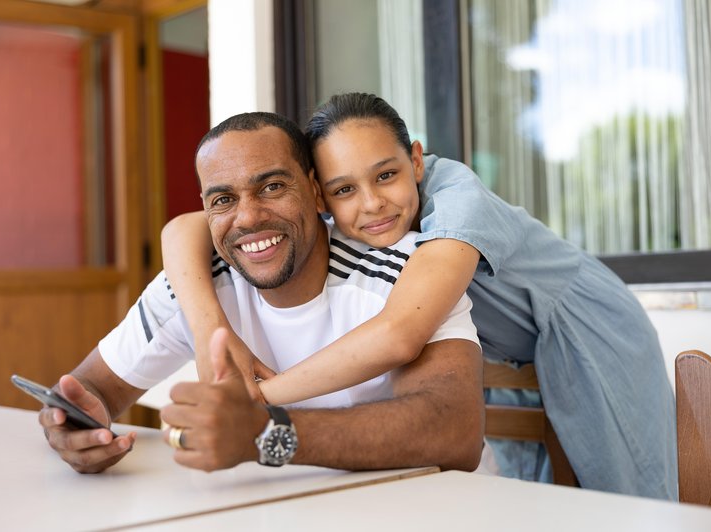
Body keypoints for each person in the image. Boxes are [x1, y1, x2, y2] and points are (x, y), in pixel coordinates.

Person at [162, 93, 678, 499]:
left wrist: (257, 404)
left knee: (628, 497)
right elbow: (183, 228)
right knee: (534, 497)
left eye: (386, 175)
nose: (371, 203)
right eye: (343, 189)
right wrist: (214, 327)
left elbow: (398, 332)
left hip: (586, 325)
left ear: (415, 161)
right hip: (512, 349)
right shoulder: (341, 210)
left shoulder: (459, 202)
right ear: (320, 192)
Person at [38, 111, 484, 474]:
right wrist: (75, 426)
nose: (248, 218)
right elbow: (95, 386)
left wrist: (266, 432)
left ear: (315, 191)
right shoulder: (195, 285)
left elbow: (455, 431)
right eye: (223, 200)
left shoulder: (408, 272)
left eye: (272, 187)